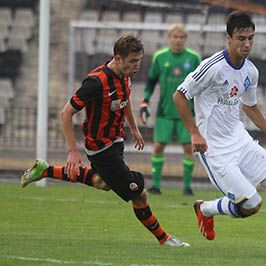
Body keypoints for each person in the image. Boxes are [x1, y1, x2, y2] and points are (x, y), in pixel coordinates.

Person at [21, 34, 189, 247]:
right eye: (133, 61)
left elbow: (125, 100)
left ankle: (45, 170)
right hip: (101, 149)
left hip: (116, 142)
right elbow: (65, 114)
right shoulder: (96, 82)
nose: (137, 66)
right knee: (139, 194)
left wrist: (135, 128)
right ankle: (165, 239)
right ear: (117, 59)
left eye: (139, 60)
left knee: (103, 183)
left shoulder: (125, 75)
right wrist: (73, 151)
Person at [173, 11, 266, 241]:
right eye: (241, 38)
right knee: (252, 204)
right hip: (215, 150)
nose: (247, 44)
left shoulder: (251, 71)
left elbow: (250, 106)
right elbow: (179, 96)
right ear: (229, 38)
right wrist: (194, 133)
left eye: (251, 38)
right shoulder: (211, 67)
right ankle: (205, 209)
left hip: (240, 141)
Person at [139, 23, 201, 195]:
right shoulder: (160, 57)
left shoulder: (194, 58)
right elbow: (151, 81)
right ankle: (156, 185)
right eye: (175, 36)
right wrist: (144, 102)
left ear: (185, 39)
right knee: (158, 146)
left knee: (189, 148)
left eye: (181, 37)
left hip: (187, 112)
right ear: (169, 38)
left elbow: (201, 85)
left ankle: (187, 187)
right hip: (164, 111)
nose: (178, 40)